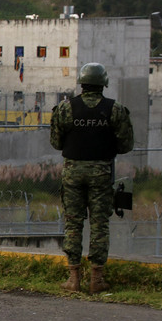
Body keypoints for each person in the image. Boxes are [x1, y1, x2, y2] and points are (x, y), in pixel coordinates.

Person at [50, 62, 134, 293]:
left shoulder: (66, 109)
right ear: (103, 83)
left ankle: (73, 278)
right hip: (101, 173)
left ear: (81, 82)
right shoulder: (115, 109)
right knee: (99, 224)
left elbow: (56, 143)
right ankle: (97, 279)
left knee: (73, 223)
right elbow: (126, 144)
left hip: (73, 173)